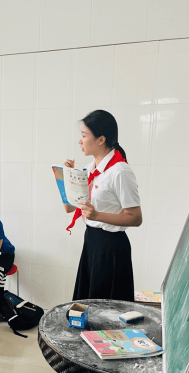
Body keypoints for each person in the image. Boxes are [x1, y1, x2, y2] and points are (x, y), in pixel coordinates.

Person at [63, 109, 142, 302]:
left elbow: (136, 217)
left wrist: (97, 215)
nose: (80, 141)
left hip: (112, 248)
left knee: (106, 308)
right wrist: (67, 178)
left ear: (101, 139)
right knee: (88, 302)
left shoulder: (120, 171)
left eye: (84, 135)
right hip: (92, 241)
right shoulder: (90, 169)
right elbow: (69, 208)